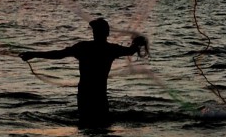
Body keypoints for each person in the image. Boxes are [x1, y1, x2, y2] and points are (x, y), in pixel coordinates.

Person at [19, 18, 147, 127]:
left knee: (85, 125)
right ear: (107, 33)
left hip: (85, 95)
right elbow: (130, 51)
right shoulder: (111, 49)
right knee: (103, 125)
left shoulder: (83, 47)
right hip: (99, 95)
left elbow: (59, 54)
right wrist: (137, 42)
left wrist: (34, 54)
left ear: (95, 33)